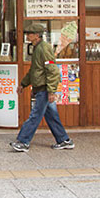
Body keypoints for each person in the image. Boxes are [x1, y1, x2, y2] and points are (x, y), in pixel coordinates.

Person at [10, 23, 75, 152]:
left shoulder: (44, 49)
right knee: (51, 116)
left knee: (35, 115)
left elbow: (52, 70)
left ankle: (23, 141)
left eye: (30, 34)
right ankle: (64, 140)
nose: (28, 36)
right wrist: (23, 84)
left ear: (37, 35)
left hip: (44, 88)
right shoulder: (37, 48)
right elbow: (35, 70)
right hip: (41, 87)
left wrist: (51, 90)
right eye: (27, 34)